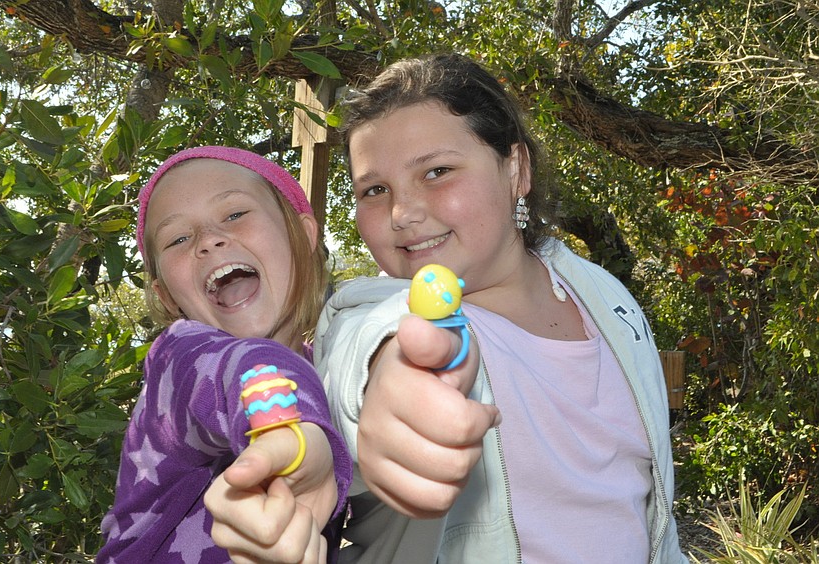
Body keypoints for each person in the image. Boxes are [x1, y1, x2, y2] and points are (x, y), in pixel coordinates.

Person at [209, 53, 687, 563]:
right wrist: (389, 386)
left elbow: (644, 501)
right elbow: (370, 346)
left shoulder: (601, 296)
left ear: (516, 170)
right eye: (375, 190)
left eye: (436, 171)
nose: (402, 212)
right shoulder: (379, 314)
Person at [97, 146, 351, 564]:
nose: (209, 241)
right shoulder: (179, 359)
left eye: (234, 215)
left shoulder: (333, 370)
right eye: (178, 238)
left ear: (303, 234)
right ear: (167, 296)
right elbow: (241, 369)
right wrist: (294, 435)